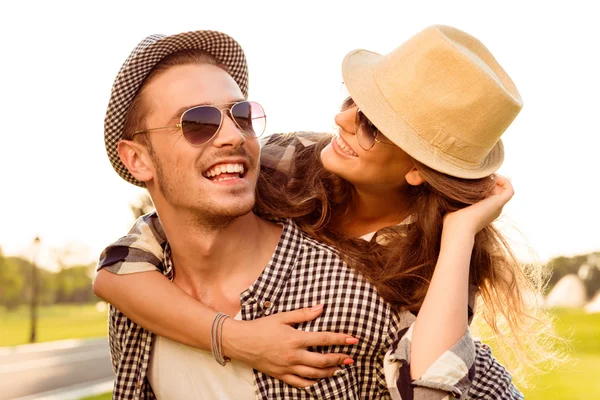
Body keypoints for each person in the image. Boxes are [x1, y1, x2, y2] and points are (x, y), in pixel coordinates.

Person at [96, 26, 539, 399]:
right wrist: (233, 336)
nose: (342, 121)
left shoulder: (427, 262)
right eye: (196, 122)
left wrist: (460, 233)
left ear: (418, 169)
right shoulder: (292, 160)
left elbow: (432, 386)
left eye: (372, 125)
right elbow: (119, 266)